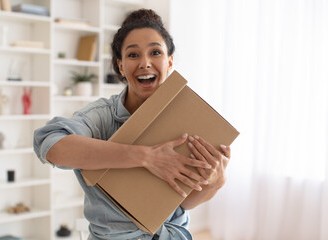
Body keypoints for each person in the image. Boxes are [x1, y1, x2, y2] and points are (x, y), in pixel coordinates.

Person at [34, 9, 231, 240]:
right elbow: (50, 145)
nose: (145, 63)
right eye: (133, 55)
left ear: (169, 62)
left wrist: (215, 183)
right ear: (120, 66)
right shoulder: (102, 116)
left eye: (155, 52)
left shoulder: (191, 119)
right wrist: (146, 157)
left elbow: (183, 204)